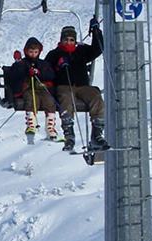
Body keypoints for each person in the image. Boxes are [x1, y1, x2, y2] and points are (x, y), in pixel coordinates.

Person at [44, 18, 109, 152]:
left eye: (71, 40)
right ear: (61, 40)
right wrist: (58, 67)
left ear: (75, 41)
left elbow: (98, 49)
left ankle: (96, 134)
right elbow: (45, 71)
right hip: (64, 86)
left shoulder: (81, 51)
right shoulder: (54, 54)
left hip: (82, 86)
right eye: (66, 40)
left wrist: (96, 31)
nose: (68, 42)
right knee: (65, 97)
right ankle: (69, 134)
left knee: (95, 96)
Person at [7, 37, 58, 140]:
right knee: (30, 99)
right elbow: (15, 74)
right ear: (26, 51)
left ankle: (50, 127)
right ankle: (31, 124)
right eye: (31, 52)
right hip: (28, 88)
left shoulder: (43, 64)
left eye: (35, 52)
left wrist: (39, 73)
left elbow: (51, 75)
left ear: (39, 52)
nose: (33, 54)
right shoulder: (23, 63)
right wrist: (19, 63)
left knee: (49, 101)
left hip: (42, 88)